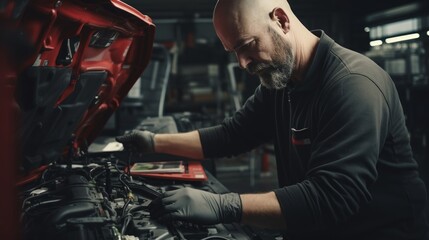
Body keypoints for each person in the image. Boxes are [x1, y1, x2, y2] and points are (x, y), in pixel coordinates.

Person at [116, 0, 429, 239]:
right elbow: (231, 135)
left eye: (247, 46)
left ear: (281, 20)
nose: (242, 63)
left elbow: (334, 196)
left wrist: (224, 206)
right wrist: (152, 142)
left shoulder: (352, 83)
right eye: (233, 52)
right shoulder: (281, 80)